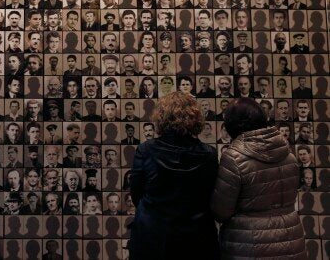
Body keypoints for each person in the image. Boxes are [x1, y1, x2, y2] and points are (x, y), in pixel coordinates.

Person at [211, 98, 305, 259]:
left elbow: (221, 211)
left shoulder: (233, 157)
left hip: (249, 244)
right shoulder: (288, 154)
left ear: (232, 125)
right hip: (291, 239)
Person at [130, 92, 219, 259]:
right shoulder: (209, 154)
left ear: (161, 118)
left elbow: (136, 195)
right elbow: (211, 196)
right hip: (197, 237)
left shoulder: (146, 150)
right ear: (196, 117)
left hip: (152, 237)